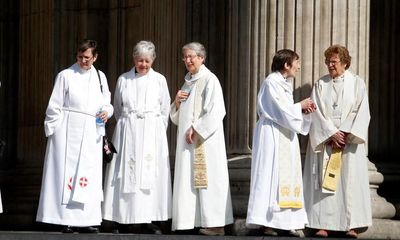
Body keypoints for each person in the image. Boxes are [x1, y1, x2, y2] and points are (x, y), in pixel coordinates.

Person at [36, 39, 113, 233]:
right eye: (80, 57)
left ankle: (86, 219)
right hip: (68, 129)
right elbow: (55, 104)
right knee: (67, 175)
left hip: (91, 131)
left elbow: (107, 101)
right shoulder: (65, 75)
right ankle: (66, 220)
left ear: (95, 57)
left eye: (87, 57)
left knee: (89, 175)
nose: (83, 61)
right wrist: (55, 130)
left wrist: (107, 112)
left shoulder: (100, 77)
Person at [102, 40, 172, 234]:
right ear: (134, 59)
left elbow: (165, 107)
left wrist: (156, 129)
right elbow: (117, 107)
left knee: (149, 174)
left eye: (147, 61)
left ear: (153, 60)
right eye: (140, 60)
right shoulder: (124, 79)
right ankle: (122, 218)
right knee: (125, 172)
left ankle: (149, 219)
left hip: (151, 131)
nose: (143, 64)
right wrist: (128, 123)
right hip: (128, 131)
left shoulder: (159, 80)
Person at [303, 45, 372, 238]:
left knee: (349, 182)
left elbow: (361, 111)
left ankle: (352, 225)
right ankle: (322, 224)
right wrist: (330, 133)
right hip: (327, 140)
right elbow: (314, 110)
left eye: (333, 61)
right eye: (327, 61)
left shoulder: (358, 83)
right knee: (324, 183)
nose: (330, 65)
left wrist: (344, 133)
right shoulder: (320, 84)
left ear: (345, 63)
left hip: (348, 142)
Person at [246, 49, 316, 236]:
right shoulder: (271, 82)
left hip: (284, 133)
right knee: (270, 175)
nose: (299, 66)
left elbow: (288, 113)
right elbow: (278, 110)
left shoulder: (283, 84)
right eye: (297, 62)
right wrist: (299, 107)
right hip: (272, 134)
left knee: (286, 177)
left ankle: (285, 222)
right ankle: (268, 222)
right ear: (286, 65)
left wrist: (303, 112)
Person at [170, 42, 233, 236]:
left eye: (192, 57)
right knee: (188, 180)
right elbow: (175, 117)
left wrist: (197, 128)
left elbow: (216, 110)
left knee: (210, 180)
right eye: (185, 57)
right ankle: (190, 221)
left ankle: (216, 224)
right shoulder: (187, 82)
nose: (188, 60)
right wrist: (177, 103)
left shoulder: (209, 79)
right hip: (188, 142)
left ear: (201, 58)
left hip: (206, 142)